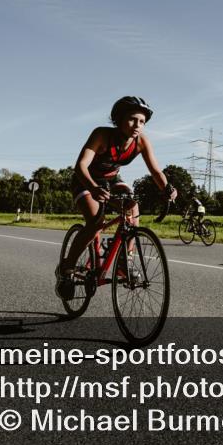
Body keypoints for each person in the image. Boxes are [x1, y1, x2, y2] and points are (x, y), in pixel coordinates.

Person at [56, 96, 176, 298]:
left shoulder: (141, 142)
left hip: (111, 180)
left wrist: (167, 188)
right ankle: (66, 269)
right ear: (118, 119)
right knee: (96, 222)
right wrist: (93, 188)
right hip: (85, 180)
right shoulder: (101, 135)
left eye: (142, 122)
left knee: (132, 206)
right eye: (132, 119)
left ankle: (124, 261)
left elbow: (155, 171)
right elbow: (81, 166)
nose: (137, 125)